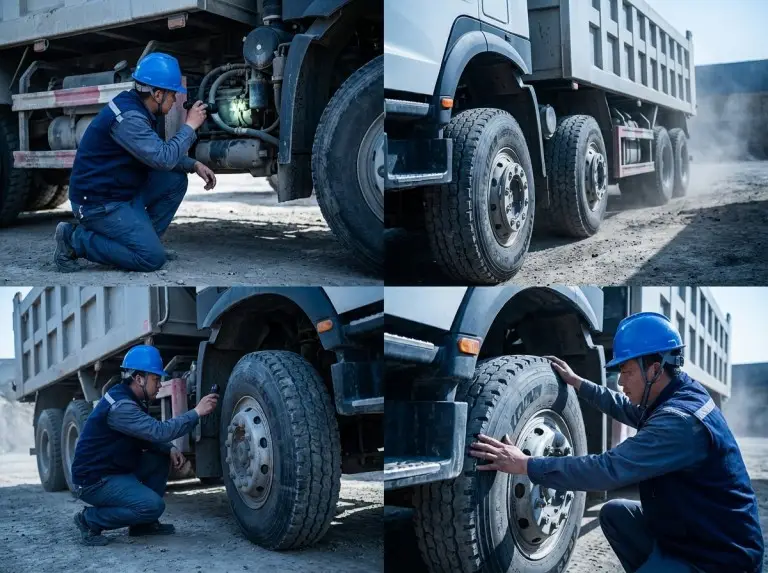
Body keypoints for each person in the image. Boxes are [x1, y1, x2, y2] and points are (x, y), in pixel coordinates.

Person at [469, 312, 764, 573]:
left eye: (626, 371)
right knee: (616, 513)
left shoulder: (680, 422)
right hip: (695, 531)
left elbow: (606, 470)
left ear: (655, 369)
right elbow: (627, 408)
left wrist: (526, 464)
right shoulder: (676, 393)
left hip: (720, 557)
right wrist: (579, 383)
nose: (621, 381)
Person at [54, 52, 217, 273]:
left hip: (120, 191)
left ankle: (144, 244)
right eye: (173, 95)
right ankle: (74, 240)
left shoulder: (137, 107)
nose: (176, 100)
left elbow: (155, 151)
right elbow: (162, 158)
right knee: (151, 259)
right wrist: (190, 126)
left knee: (175, 180)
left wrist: (193, 164)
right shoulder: (129, 118)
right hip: (98, 204)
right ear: (158, 94)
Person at [70, 344, 219, 546]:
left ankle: (143, 525)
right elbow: (158, 431)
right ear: (139, 378)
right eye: (156, 379)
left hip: (111, 468)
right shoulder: (121, 407)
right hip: (93, 480)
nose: (159, 384)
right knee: (152, 506)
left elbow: (145, 436)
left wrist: (170, 448)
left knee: (158, 458)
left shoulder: (130, 397)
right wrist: (196, 412)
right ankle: (89, 521)